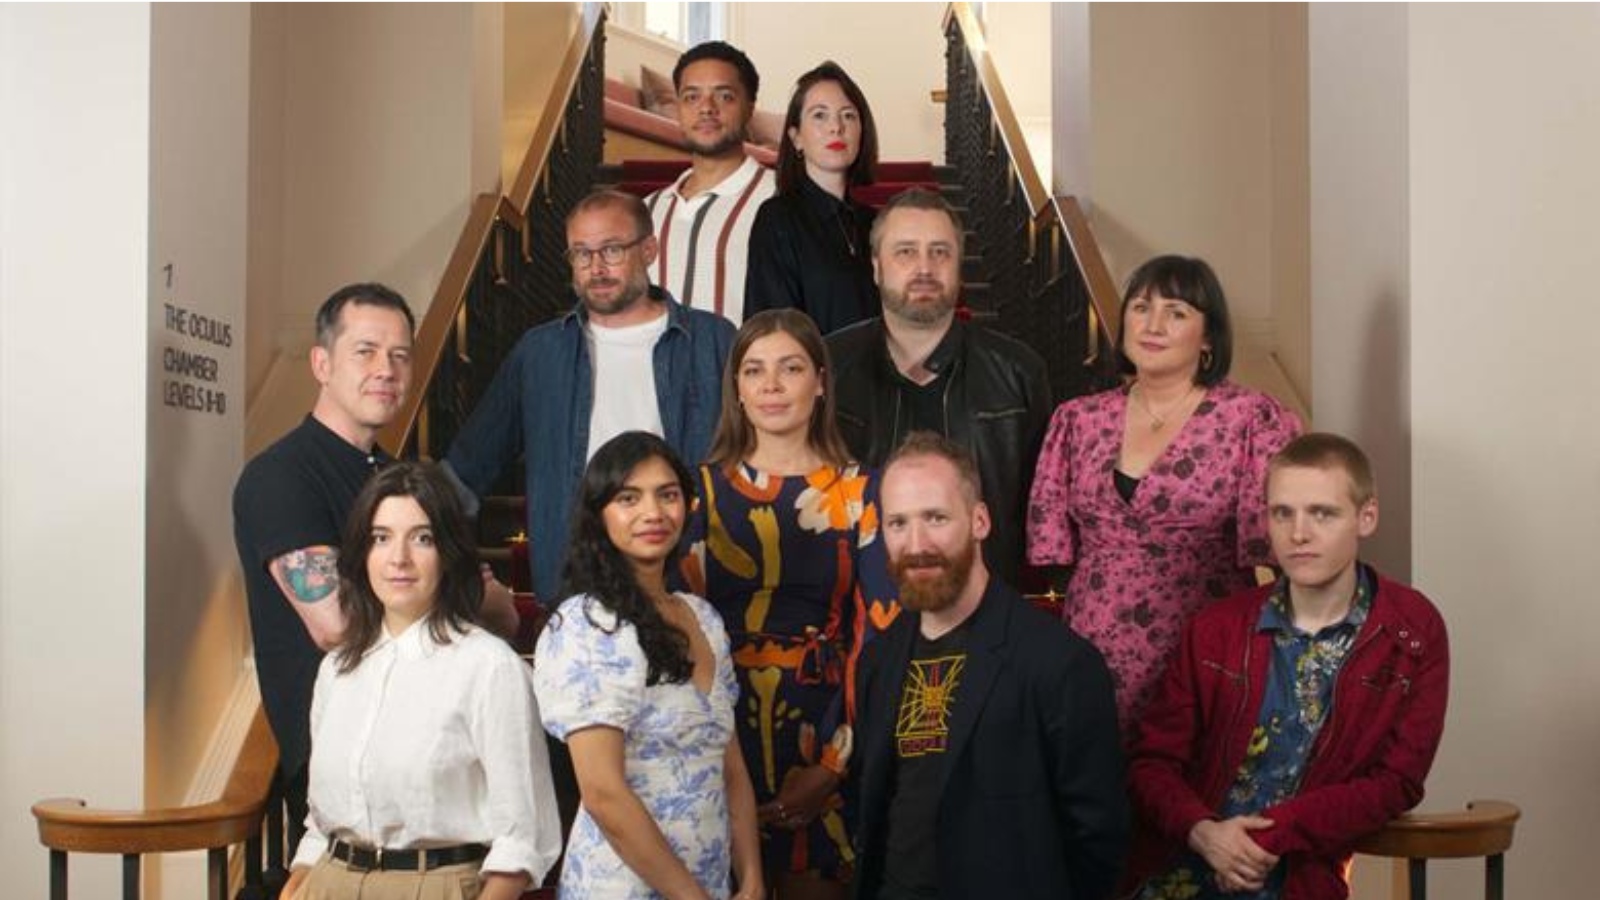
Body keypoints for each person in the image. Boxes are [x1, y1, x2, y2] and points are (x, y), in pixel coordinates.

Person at [233, 283, 517, 854]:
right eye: (365, 351)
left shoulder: (407, 479)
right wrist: (469, 594)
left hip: (434, 742)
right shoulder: (280, 477)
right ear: (322, 363)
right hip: (343, 757)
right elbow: (336, 623)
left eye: (400, 355)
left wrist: (468, 598)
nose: (385, 369)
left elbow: (502, 620)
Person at [1125, 433, 1449, 900]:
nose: (1298, 534)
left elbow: (1397, 781)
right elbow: (1152, 763)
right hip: (1185, 865)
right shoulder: (1216, 628)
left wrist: (1265, 839)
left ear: (1366, 516)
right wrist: (1203, 832)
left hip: (1297, 876)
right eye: (1282, 513)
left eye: (1322, 513)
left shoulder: (1412, 630)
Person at [1026, 254, 1302, 734]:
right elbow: (1050, 545)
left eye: (1176, 312)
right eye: (1140, 307)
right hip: (1093, 645)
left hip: (1204, 645)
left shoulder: (1252, 419)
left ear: (1209, 337)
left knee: (1191, 794)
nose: (1153, 325)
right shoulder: (1077, 419)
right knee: (1097, 789)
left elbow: (1286, 553)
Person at [851, 432, 1128, 900]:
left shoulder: (1059, 662)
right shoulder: (878, 660)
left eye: (935, 518)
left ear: (980, 520)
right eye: (898, 523)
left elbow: (1099, 837)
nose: (915, 543)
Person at [282, 462, 562, 900]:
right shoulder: (337, 669)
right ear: (362, 552)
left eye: (422, 538)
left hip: (436, 885)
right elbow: (319, 825)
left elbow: (523, 838)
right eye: (381, 538)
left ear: (448, 553)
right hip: (328, 880)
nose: (399, 559)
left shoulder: (488, 667)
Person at [445, 189, 735, 603]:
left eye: (612, 250)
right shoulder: (540, 353)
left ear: (649, 249)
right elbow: (467, 467)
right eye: (581, 254)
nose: (595, 267)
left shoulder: (713, 340)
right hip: (575, 584)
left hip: (688, 577)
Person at [681, 309, 877, 899]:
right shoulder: (696, 494)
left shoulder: (863, 492)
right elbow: (678, 635)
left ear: (820, 382)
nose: (770, 386)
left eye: (789, 369)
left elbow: (880, 639)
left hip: (828, 737)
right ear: (736, 389)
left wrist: (834, 765)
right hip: (717, 740)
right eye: (754, 371)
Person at [533, 432, 763, 899]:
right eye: (628, 498)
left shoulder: (703, 617)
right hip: (621, 887)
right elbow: (602, 792)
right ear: (599, 514)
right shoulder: (586, 624)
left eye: (668, 494)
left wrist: (753, 877)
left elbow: (731, 765)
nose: (653, 513)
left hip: (712, 881)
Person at [827, 188, 1052, 587]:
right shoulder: (827, 368)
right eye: (906, 252)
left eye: (940, 252)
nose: (925, 267)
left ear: (959, 265)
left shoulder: (1018, 374)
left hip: (984, 605)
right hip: (854, 607)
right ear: (877, 267)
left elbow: (1040, 514)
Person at [744, 61, 880, 335]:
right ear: (796, 138)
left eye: (848, 116)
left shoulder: (877, 222)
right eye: (820, 115)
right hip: (817, 376)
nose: (836, 127)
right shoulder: (777, 219)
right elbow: (774, 333)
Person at [645, 40, 777, 324]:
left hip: (741, 366)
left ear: (749, 108)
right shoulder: (648, 209)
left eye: (725, 96)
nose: (706, 108)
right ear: (678, 108)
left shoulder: (780, 200)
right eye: (691, 97)